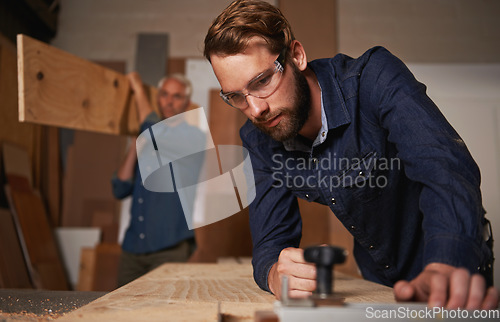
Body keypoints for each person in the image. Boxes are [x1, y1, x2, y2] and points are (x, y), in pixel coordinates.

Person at [203, 0, 498, 309]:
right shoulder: (257, 139)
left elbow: (445, 169)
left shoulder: (374, 79)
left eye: (262, 81)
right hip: (377, 282)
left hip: (451, 268)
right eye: (236, 96)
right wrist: (274, 273)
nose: (256, 109)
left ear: (297, 56)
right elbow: (270, 240)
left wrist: (447, 262)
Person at [111, 72, 201, 287]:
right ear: (158, 98)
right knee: (121, 311)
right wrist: (136, 143)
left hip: (169, 247)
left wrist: (139, 89)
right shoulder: (148, 139)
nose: (169, 102)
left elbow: (152, 129)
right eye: (164, 94)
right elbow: (120, 188)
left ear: (187, 103)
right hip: (133, 247)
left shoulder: (194, 139)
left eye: (176, 96)